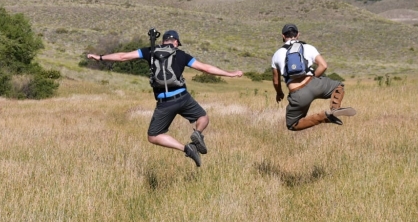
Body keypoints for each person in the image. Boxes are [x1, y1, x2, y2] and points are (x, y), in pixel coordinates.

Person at [87, 29, 243, 167]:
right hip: (183, 97)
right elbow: (206, 68)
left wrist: (100, 57)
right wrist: (230, 73)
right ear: (176, 42)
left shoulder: (150, 51)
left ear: (163, 41)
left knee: (153, 136)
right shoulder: (181, 54)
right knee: (203, 117)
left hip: (164, 102)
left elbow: (122, 56)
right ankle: (198, 133)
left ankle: (186, 149)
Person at [272, 24, 356, 131]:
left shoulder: (277, 54)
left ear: (283, 36)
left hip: (298, 94)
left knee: (292, 125)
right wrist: (313, 79)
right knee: (338, 86)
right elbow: (323, 65)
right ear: (298, 34)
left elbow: (276, 81)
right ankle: (335, 108)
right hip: (314, 84)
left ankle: (323, 117)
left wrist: (279, 93)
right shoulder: (308, 47)